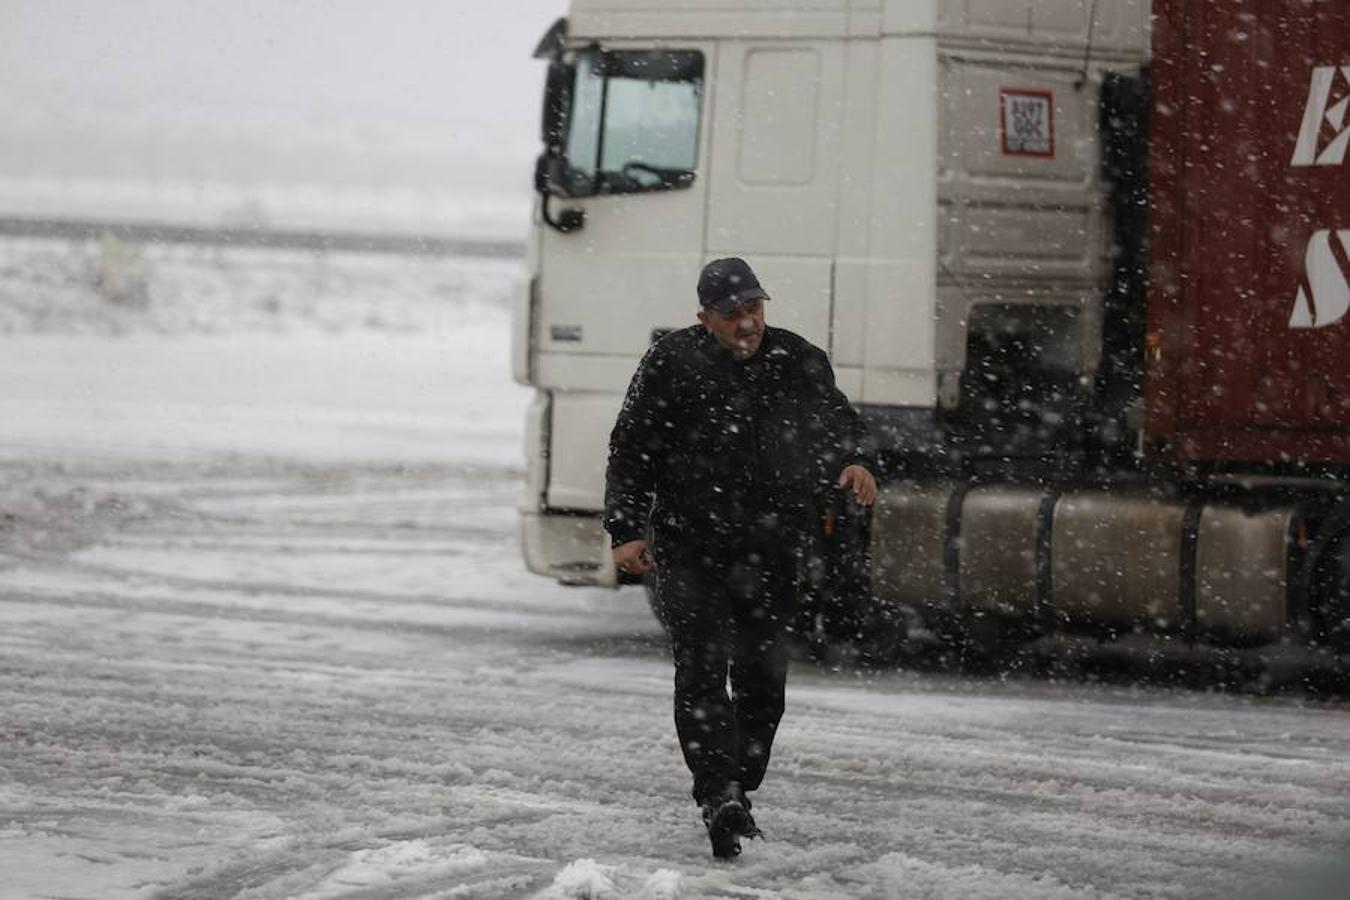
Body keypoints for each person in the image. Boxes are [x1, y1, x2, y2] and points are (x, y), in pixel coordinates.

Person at [604, 257, 878, 859]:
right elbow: (632, 448)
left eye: (754, 309)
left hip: (773, 546)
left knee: (763, 682)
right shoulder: (672, 363)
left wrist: (855, 460)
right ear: (704, 318)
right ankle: (719, 793)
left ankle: (739, 783)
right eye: (732, 314)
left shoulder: (798, 358)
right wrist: (625, 529)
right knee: (702, 669)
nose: (747, 323)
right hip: (689, 545)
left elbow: (838, 423)